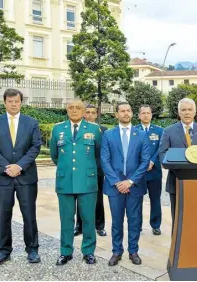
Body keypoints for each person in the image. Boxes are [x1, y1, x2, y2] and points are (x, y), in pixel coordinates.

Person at [50, 99, 102, 265]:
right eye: (71, 107)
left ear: (83, 111)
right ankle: (66, 251)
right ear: (66, 110)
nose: (74, 110)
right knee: (66, 219)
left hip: (87, 181)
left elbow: (98, 153)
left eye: (78, 108)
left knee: (88, 218)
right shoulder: (58, 129)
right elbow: (54, 155)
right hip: (65, 181)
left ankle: (88, 251)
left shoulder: (94, 129)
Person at [101, 102, 150, 266]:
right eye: (122, 111)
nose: (125, 113)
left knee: (134, 220)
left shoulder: (141, 135)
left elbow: (145, 162)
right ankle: (116, 251)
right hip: (114, 187)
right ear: (116, 114)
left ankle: (133, 251)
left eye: (128, 110)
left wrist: (130, 181)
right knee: (116, 221)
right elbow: (104, 160)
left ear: (132, 113)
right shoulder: (108, 134)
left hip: (134, 186)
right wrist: (117, 182)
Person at [159, 98, 197, 231]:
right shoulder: (169, 131)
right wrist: (174, 165)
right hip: (177, 181)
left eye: (190, 110)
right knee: (178, 218)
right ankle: (177, 249)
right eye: (184, 110)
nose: (187, 113)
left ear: (195, 112)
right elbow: (162, 154)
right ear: (179, 112)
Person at [0, 89, 42, 264]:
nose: (13, 104)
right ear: (4, 103)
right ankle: (3, 250)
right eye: (10, 101)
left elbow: (36, 146)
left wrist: (19, 166)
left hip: (26, 177)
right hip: (3, 177)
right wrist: (6, 167)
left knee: (29, 214)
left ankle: (32, 249)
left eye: (16, 101)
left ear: (21, 102)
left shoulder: (31, 123)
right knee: (2, 215)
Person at [74, 104, 107, 237]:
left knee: (98, 199)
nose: (90, 115)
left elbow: (105, 152)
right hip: (80, 171)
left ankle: (99, 226)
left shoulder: (103, 130)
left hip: (97, 170)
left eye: (93, 113)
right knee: (80, 198)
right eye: (87, 112)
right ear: (83, 114)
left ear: (97, 114)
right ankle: (79, 226)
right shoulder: (77, 130)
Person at [135, 105, 163, 236]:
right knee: (137, 200)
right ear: (139, 115)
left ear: (152, 115)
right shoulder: (134, 130)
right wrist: (142, 164)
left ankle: (156, 225)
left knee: (155, 199)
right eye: (143, 113)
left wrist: (152, 161)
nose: (146, 115)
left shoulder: (159, 131)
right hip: (138, 172)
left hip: (154, 171)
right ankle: (137, 224)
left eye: (148, 113)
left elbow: (161, 149)